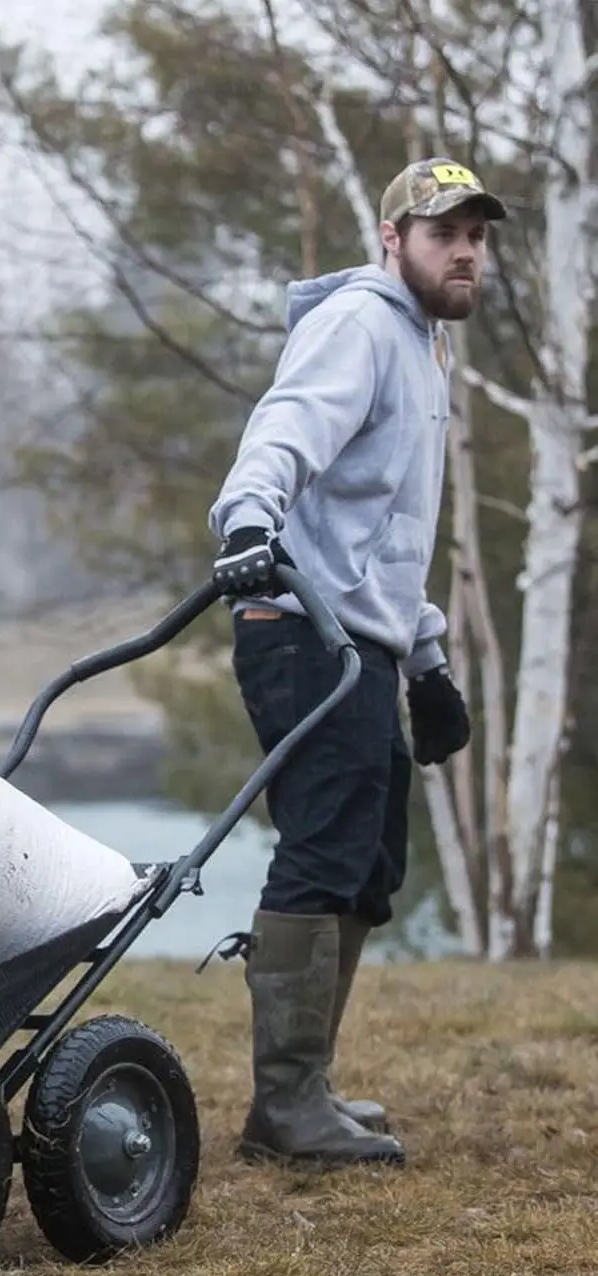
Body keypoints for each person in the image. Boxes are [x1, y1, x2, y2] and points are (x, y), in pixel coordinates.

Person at [206, 157, 503, 1170]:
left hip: (361, 640)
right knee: (325, 847)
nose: (464, 250)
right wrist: (247, 520)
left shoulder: (423, 350)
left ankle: (308, 1088)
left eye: (475, 234)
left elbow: (383, 533)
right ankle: (283, 1109)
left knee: (370, 864)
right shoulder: (362, 325)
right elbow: (284, 432)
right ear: (393, 240)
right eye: (442, 233)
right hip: (300, 626)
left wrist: (426, 662)